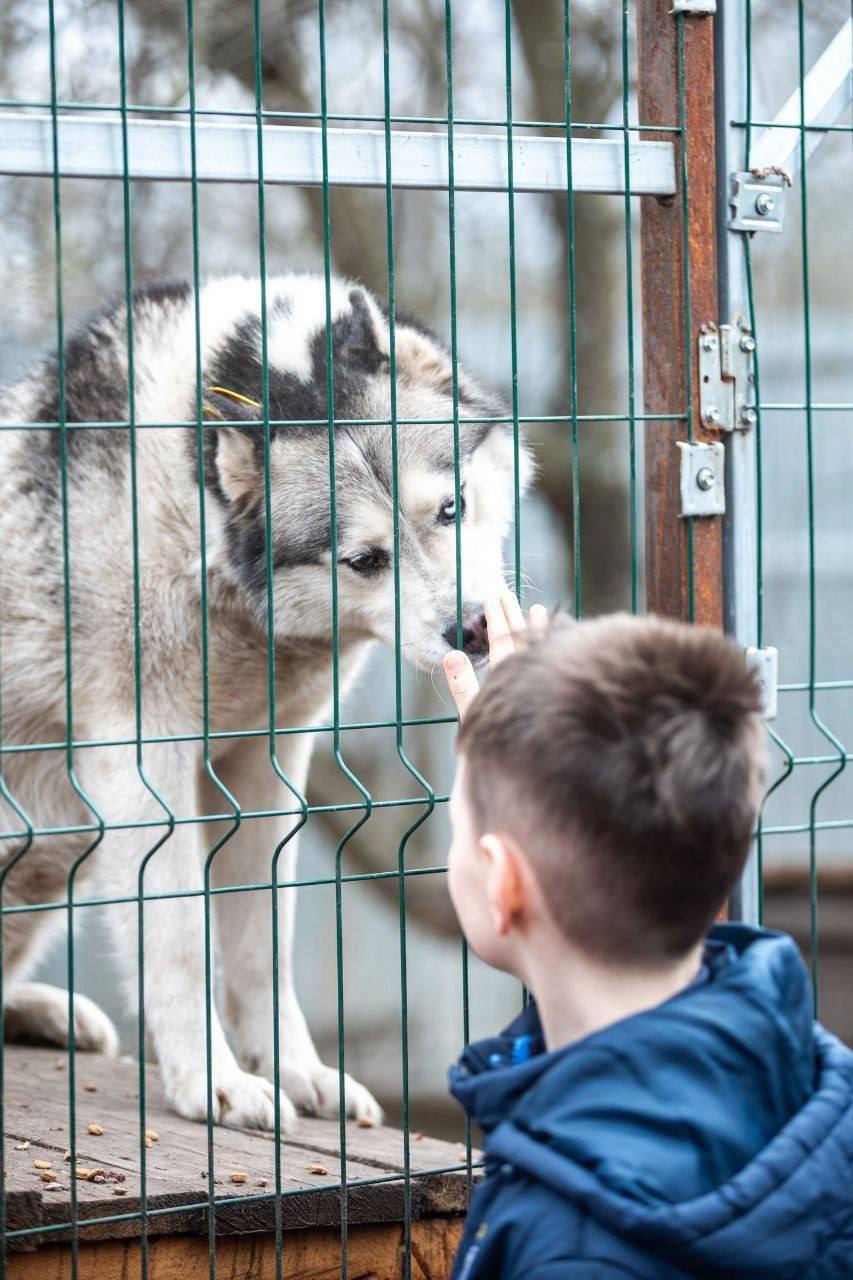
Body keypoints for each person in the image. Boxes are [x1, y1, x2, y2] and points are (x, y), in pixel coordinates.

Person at [440, 595, 853, 1280]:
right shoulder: (794, 1078)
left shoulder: (572, 1251)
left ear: (500, 880)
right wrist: (509, 750)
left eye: (457, 829)